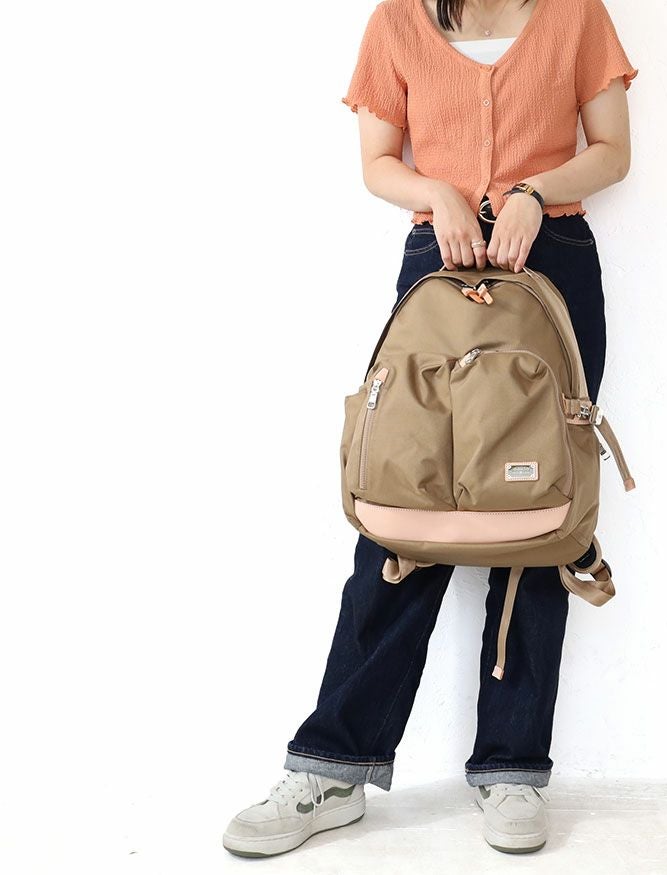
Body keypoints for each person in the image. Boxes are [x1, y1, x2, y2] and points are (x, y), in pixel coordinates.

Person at [223, 0, 637, 858]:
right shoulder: (397, 22)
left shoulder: (575, 14)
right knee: (405, 502)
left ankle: (513, 768)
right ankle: (333, 766)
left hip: (553, 261)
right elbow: (378, 162)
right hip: (436, 265)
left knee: (541, 513)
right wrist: (437, 194)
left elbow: (612, 149)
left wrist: (533, 193)